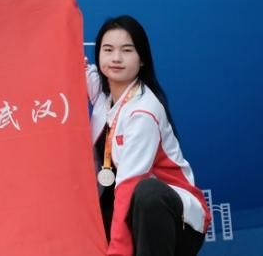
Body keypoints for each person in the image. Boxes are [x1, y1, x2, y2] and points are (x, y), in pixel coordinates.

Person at [86, 15, 209, 256]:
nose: (116, 58)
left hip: (174, 220)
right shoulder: (103, 93)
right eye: (108, 50)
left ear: (142, 59)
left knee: (147, 192)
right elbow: (70, 66)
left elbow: (129, 185)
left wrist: (118, 252)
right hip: (130, 212)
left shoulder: (144, 111)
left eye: (127, 50)